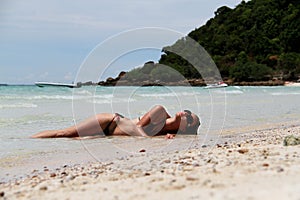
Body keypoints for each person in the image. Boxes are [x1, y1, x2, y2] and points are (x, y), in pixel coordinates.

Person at [31, 105, 200, 139]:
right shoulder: (160, 112)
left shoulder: (166, 132)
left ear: (185, 129)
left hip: (110, 135)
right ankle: (29, 139)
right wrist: (148, 141)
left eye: (190, 117)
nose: (186, 113)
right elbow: (139, 128)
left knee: (75, 139)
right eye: (189, 112)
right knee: (64, 134)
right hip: (110, 122)